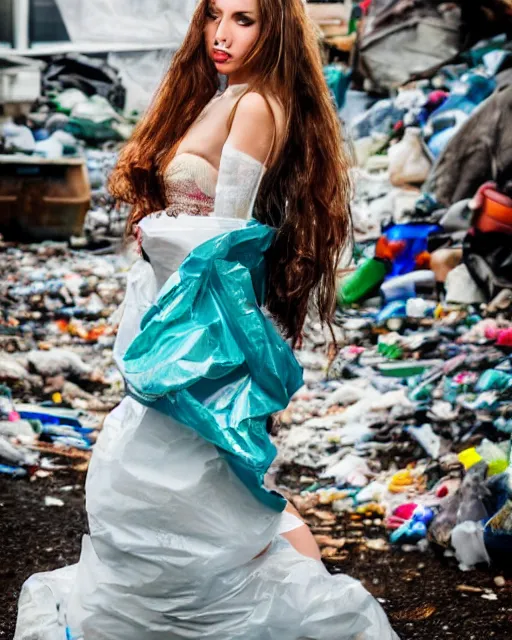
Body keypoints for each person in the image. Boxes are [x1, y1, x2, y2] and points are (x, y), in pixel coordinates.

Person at [15, 1, 398, 639]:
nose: (221, 32)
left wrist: (159, 234)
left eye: (243, 18)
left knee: (194, 470)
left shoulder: (255, 105)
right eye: (216, 14)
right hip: (177, 309)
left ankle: (275, 603)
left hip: (196, 320)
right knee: (201, 473)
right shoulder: (234, 93)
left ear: (274, 26)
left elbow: (226, 235)